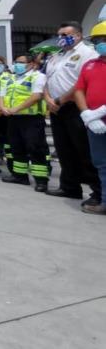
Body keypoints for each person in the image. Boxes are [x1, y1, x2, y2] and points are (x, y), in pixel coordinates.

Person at [43, 21, 101, 204]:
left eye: (65, 34)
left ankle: (97, 192)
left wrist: (60, 100)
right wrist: (48, 99)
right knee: (64, 150)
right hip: (55, 107)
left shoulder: (87, 54)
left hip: (75, 108)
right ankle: (69, 186)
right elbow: (47, 78)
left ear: (77, 35)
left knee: (83, 150)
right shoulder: (57, 55)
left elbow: (80, 84)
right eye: (59, 34)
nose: (61, 38)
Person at [0, 54, 50, 191]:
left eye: (21, 62)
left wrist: (16, 108)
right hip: (13, 118)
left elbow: (36, 96)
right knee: (17, 147)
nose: (17, 65)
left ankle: (41, 180)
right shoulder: (11, 78)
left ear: (32, 64)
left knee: (35, 148)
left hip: (31, 118)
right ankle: (20, 176)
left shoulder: (38, 76)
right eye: (16, 62)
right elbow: (1, 95)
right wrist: (3, 108)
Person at [74, 20, 106, 214]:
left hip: (99, 117)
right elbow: (79, 90)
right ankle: (104, 201)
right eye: (97, 40)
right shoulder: (90, 65)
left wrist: (101, 111)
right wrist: (87, 114)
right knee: (101, 164)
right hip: (94, 124)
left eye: (104, 39)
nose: (100, 43)